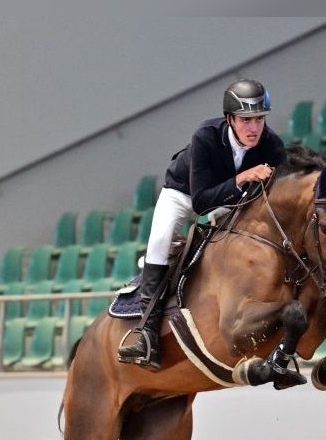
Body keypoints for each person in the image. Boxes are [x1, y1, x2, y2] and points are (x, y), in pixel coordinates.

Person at [118, 78, 288, 370]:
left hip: (231, 199)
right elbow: (201, 203)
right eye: (246, 120)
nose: (254, 128)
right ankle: (146, 333)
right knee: (159, 241)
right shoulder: (206, 136)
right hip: (184, 194)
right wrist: (242, 178)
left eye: (259, 119)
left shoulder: (272, 146)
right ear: (229, 119)